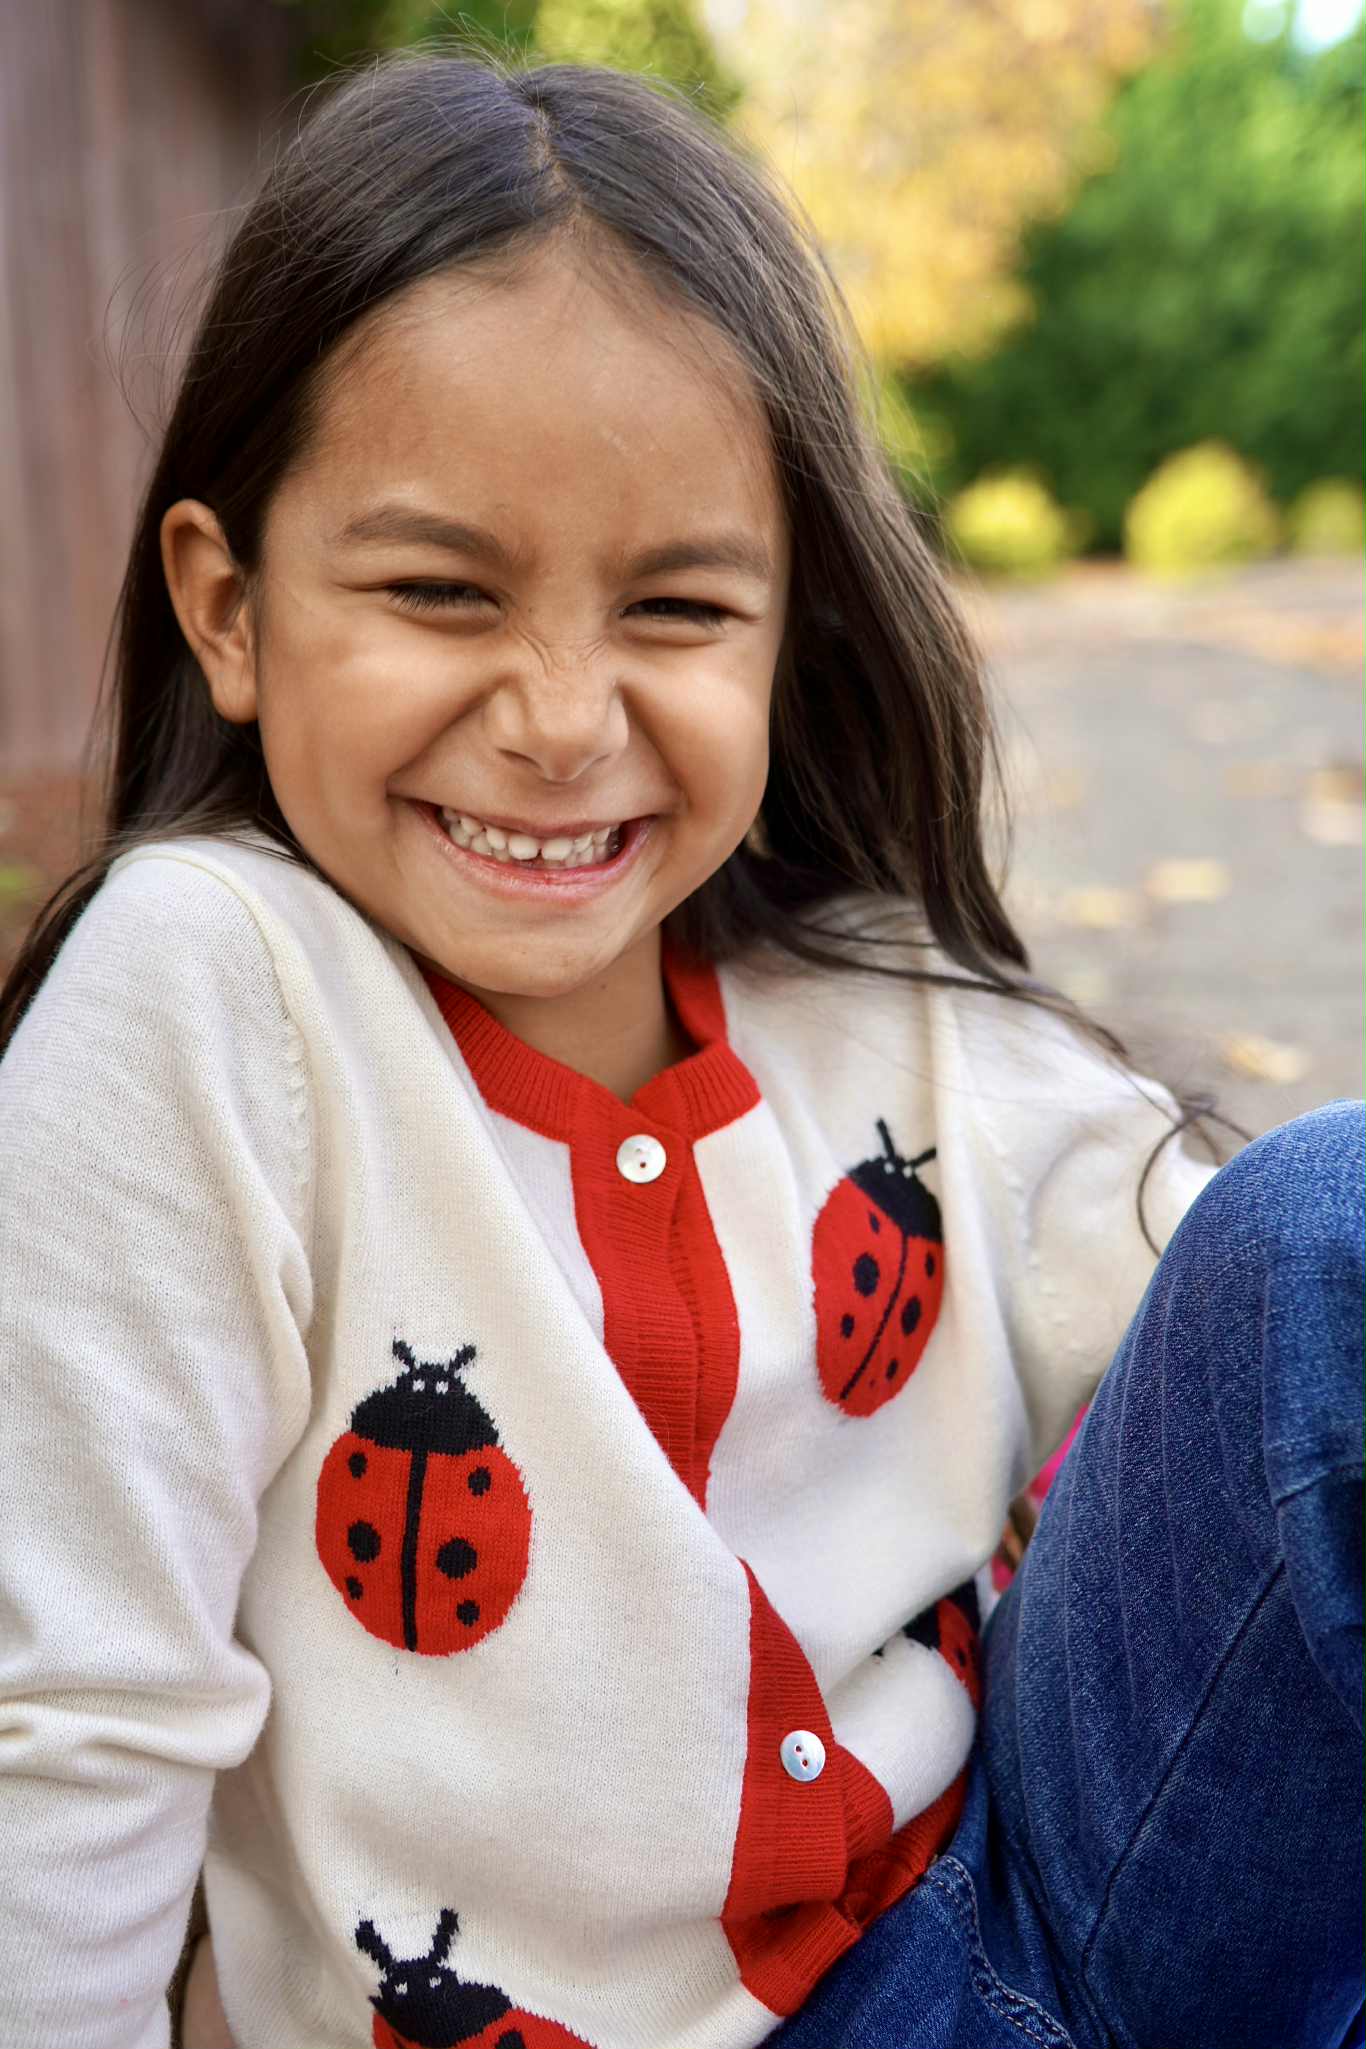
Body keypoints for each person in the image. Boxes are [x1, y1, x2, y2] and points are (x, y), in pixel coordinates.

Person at [0, 49, 1360, 2049]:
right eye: (436, 589)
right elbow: (71, 1709)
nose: (561, 714)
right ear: (227, 607)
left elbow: (1241, 1349)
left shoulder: (877, 998)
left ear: (784, 629)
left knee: (1320, 1237)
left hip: (1030, 1904)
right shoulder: (218, 988)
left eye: (672, 606)